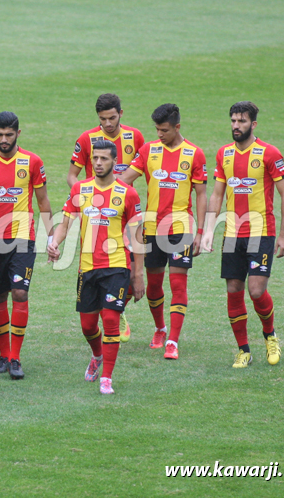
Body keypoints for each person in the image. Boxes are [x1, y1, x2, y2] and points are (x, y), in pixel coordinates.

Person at [48, 140, 145, 394]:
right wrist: (54, 243)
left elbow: (138, 237)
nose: (99, 163)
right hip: (87, 268)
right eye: (96, 159)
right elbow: (65, 223)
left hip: (116, 267)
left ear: (114, 161)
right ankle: (97, 355)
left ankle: (107, 378)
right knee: (88, 326)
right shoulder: (80, 188)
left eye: (104, 159)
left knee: (111, 320)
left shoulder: (127, 193)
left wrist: (138, 275)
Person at [202, 101, 284, 368]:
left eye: (241, 121)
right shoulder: (224, 154)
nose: (236, 126)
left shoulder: (269, 153)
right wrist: (208, 230)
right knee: (233, 289)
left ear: (253, 124)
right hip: (232, 234)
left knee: (255, 290)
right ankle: (243, 350)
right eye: (232, 121)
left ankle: (270, 335)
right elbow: (217, 194)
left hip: (260, 231)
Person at [0, 112, 53, 380]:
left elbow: (43, 202)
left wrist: (51, 237)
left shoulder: (32, 162)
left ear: (18, 133)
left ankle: (15, 358)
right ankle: (4, 355)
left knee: (19, 293)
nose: (4, 140)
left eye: (9, 135)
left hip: (22, 238)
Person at [119, 104, 207, 359]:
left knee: (177, 283)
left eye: (164, 130)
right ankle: (160, 328)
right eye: (157, 129)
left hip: (181, 229)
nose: (159, 134)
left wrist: (201, 232)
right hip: (152, 229)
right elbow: (125, 180)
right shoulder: (148, 150)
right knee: (154, 285)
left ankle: (173, 341)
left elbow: (201, 195)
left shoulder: (194, 154)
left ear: (177, 127)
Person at [67, 93, 145, 343]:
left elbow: (145, 170)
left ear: (121, 114)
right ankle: (112, 313)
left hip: (123, 210)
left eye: (112, 118)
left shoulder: (136, 137)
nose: (108, 124)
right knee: (100, 268)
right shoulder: (87, 139)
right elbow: (72, 175)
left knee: (131, 269)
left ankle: (115, 307)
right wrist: (82, 200)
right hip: (96, 215)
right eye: (102, 120)